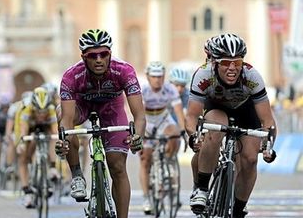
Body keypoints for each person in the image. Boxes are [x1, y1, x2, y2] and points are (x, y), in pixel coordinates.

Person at [54, 29, 146, 218]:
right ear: (83, 57)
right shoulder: (71, 76)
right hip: (82, 106)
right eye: (92, 55)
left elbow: (139, 115)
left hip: (111, 109)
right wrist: (63, 139)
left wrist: (138, 135)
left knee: (117, 166)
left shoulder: (124, 70)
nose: (98, 59)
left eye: (103, 54)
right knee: (60, 113)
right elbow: (66, 118)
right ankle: (77, 175)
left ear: (110, 53)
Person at [185, 33, 277, 218]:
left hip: (246, 110)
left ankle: (237, 210)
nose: (233, 68)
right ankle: (202, 189)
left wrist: (268, 146)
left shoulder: (252, 76)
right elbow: (192, 116)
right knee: (215, 129)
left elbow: (268, 121)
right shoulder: (203, 74)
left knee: (250, 159)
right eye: (226, 62)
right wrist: (195, 135)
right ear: (215, 63)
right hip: (217, 108)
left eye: (238, 62)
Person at [140, 61, 185, 214]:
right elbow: (136, 113)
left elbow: (178, 112)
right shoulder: (143, 90)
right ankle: (147, 197)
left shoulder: (170, 89)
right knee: (145, 159)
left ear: (164, 76)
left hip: (163, 118)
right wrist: (139, 134)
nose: (157, 79)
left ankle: (168, 162)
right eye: (154, 76)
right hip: (147, 121)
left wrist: (183, 131)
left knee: (174, 134)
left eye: (160, 76)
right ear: (148, 76)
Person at [17, 87, 59, 208]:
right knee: (23, 156)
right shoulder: (27, 109)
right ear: (33, 107)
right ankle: (27, 192)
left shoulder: (51, 110)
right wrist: (22, 143)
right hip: (28, 127)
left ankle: (51, 167)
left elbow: (55, 131)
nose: (41, 115)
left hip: (44, 128)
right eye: (38, 112)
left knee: (54, 137)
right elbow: (23, 132)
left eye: (43, 112)